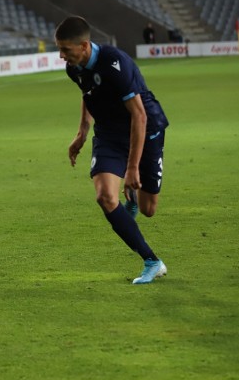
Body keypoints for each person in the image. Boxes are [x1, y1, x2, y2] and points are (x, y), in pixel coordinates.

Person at [55, 16, 169, 285]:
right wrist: (82, 132)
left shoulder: (116, 64)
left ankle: (133, 196)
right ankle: (152, 261)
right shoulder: (74, 68)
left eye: (66, 50)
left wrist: (132, 168)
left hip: (145, 128)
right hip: (109, 133)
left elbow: (139, 116)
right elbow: (88, 94)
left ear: (84, 45)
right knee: (106, 196)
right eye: (59, 49)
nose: (61, 56)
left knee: (148, 208)